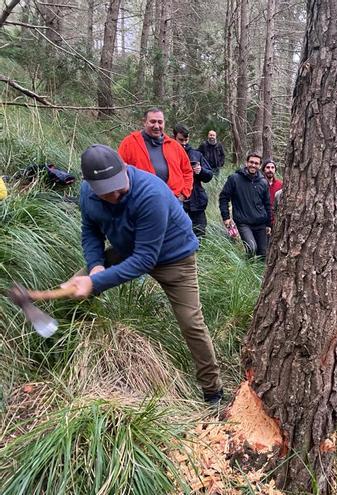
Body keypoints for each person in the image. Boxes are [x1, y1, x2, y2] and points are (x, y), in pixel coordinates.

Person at [62, 144, 223, 405]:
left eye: (118, 184)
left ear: (125, 168)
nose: (115, 194)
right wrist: (95, 267)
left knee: (191, 322)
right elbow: (90, 230)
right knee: (74, 288)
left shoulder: (151, 193)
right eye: (106, 191)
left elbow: (145, 260)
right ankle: (69, 347)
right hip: (127, 249)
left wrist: (95, 281)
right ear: (90, 185)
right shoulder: (86, 194)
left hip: (174, 257)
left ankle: (212, 390)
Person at [118, 108, 192, 201]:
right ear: (144, 122)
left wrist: (184, 194)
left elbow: (187, 171)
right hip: (141, 202)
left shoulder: (174, 146)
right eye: (152, 122)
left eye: (160, 122)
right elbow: (120, 171)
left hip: (173, 202)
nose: (156, 126)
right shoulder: (129, 143)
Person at [219, 153, 271, 258]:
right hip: (243, 222)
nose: (253, 165)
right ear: (246, 163)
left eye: (256, 163)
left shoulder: (263, 182)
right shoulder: (234, 179)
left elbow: (267, 204)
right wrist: (226, 217)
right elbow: (223, 198)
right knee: (251, 248)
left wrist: (269, 224)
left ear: (260, 166)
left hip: (261, 223)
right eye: (251, 162)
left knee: (264, 254)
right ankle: (246, 270)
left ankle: (257, 274)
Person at [173, 124, 213, 238]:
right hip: (177, 199)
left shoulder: (196, 154)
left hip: (196, 200)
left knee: (199, 232)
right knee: (178, 233)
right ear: (174, 137)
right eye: (181, 140)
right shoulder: (169, 153)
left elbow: (209, 175)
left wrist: (201, 171)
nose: (184, 143)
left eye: (186, 140)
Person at [262, 159, 282, 226]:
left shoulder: (280, 185)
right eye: (267, 167)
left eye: (272, 167)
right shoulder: (259, 184)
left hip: (276, 221)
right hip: (262, 221)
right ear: (264, 169)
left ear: (275, 170)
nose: (270, 170)